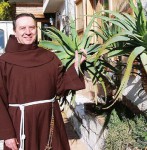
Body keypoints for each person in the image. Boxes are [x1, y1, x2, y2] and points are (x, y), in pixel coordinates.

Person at [0, 13, 86, 150]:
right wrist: (7, 134)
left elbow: (60, 87)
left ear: (36, 29)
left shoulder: (49, 57)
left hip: (49, 121)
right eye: (22, 28)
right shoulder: (4, 62)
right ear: (15, 32)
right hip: (20, 124)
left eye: (32, 27)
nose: (28, 32)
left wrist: (76, 67)